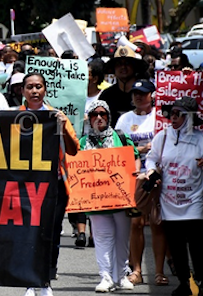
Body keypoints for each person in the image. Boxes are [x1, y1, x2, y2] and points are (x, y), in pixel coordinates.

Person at [19, 72, 79, 296]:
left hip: (53, 185)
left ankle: (45, 280)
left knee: (51, 234)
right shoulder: (14, 116)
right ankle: (28, 281)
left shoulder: (57, 116)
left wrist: (63, 127)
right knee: (26, 233)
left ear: (45, 90)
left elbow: (73, 150)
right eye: (30, 87)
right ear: (23, 91)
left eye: (38, 87)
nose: (34, 91)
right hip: (24, 186)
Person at [144, 96, 203, 296]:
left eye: (179, 114)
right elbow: (151, 159)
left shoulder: (201, 138)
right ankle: (185, 283)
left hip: (195, 201)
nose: (173, 117)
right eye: (172, 113)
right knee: (176, 246)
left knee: (197, 246)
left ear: (190, 117)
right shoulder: (163, 136)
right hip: (169, 202)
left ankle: (200, 282)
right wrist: (152, 172)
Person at [115, 79, 170, 286]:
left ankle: (158, 271)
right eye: (136, 93)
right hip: (134, 177)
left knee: (157, 224)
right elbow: (118, 149)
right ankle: (136, 270)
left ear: (152, 96)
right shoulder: (124, 120)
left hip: (156, 175)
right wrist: (140, 150)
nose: (139, 96)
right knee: (136, 224)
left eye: (144, 93)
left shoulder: (159, 118)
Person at [81, 100, 139, 292]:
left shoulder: (120, 137)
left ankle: (121, 276)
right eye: (94, 114)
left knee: (122, 238)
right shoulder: (82, 142)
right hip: (96, 199)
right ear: (88, 119)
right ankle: (105, 277)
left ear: (108, 116)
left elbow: (135, 156)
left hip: (120, 198)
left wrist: (134, 180)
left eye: (103, 114)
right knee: (102, 236)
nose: (99, 118)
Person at [99, 45, 148, 127]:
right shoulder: (106, 96)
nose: (123, 67)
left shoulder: (145, 94)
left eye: (127, 63)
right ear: (113, 69)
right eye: (119, 64)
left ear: (135, 67)